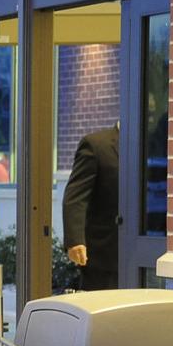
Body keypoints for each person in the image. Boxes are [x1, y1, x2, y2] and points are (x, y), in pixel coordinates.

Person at [62, 123, 119, 290]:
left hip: (142, 251)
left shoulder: (152, 144)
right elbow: (76, 196)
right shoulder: (96, 145)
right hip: (104, 253)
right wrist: (75, 240)